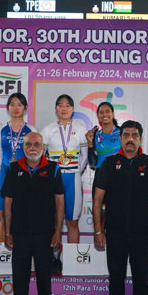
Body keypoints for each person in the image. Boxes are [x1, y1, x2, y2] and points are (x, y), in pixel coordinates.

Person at [93, 120, 148, 295]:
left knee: (142, 280)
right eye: (126, 135)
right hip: (114, 232)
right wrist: (98, 231)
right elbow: (97, 200)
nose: (130, 139)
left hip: (142, 233)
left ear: (140, 138)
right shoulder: (109, 163)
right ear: (120, 138)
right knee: (116, 280)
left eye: (134, 135)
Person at [2, 132, 64, 295]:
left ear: (43, 147)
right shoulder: (14, 168)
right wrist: (8, 231)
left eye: (37, 144)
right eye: (28, 144)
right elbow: (8, 203)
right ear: (23, 147)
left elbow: (59, 203)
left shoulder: (53, 169)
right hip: (19, 235)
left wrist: (57, 231)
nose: (32, 147)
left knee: (44, 281)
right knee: (19, 282)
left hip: (45, 235)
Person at [41, 94, 88, 244]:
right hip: (53, 179)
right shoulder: (48, 130)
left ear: (73, 109)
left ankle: (71, 262)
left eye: (67, 105)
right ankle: (54, 260)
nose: (64, 108)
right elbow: (41, 158)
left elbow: (85, 157)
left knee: (72, 221)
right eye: (60, 105)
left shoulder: (81, 129)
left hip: (72, 179)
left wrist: (75, 171)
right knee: (54, 221)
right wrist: (52, 174)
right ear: (56, 108)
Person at [0, 93, 37, 240]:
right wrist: (3, 167)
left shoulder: (32, 130)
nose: (16, 107)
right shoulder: (0, 129)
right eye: (12, 104)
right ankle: (2, 250)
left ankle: (22, 246)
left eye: (19, 104)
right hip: (6, 173)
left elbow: (34, 155)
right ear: (8, 108)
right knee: (2, 214)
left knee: (23, 212)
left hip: (25, 175)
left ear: (25, 108)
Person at [85, 101, 121, 170]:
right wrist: (90, 143)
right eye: (101, 112)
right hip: (100, 176)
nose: (104, 114)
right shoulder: (95, 135)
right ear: (98, 116)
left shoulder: (122, 132)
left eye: (107, 111)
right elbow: (93, 164)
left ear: (113, 114)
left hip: (118, 174)